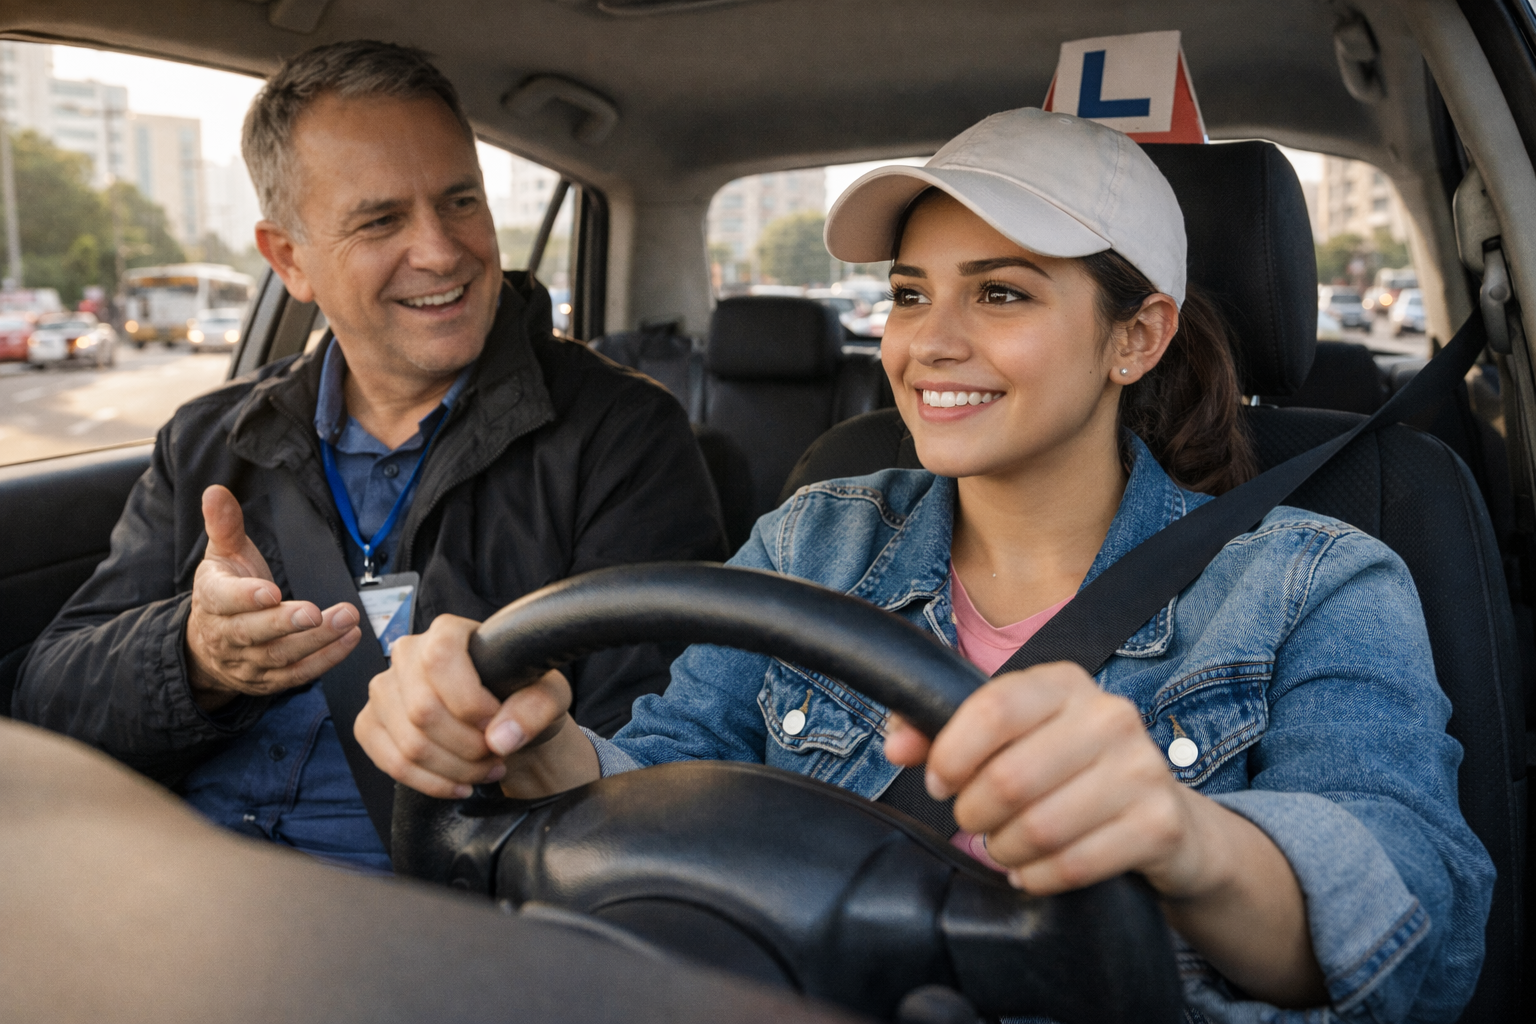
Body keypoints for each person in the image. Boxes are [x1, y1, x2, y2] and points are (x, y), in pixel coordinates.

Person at [356, 108, 1492, 1020]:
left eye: (999, 293)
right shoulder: (815, 536)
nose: (925, 341)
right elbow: (659, 785)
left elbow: (1417, 930)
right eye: (909, 294)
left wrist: (1181, 838)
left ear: (1135, 336)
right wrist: (528, 743)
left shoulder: (1315, 581)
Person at [12, 41, 726, 874]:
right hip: (173, 878)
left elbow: (657, 762)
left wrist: (498, 733)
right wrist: (198, 656)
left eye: (461, 201)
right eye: (382, 220)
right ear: (288, 259)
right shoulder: (208, 440)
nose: (440, 250)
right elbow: (48, 694)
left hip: (444, 908)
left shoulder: (623, 434)